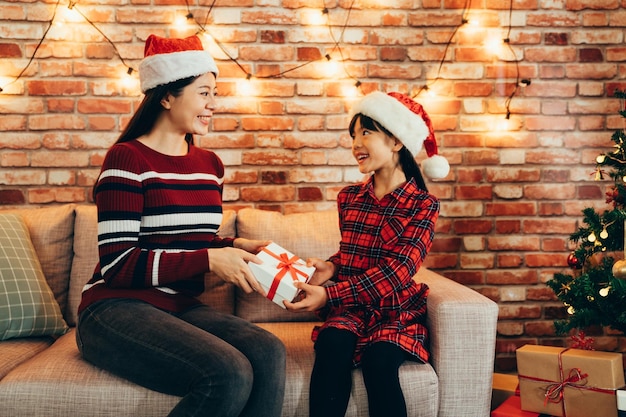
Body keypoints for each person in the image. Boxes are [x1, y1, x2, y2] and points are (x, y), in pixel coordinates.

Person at [76, 34, 286, 417]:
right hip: (115, 309)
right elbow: (118, 265)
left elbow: (193, 240)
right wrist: (210, 259)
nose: (213, 104)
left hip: (178, 305)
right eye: (204, 92)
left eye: (215, 93)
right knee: (229, 371)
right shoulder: (127, 158)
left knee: (269, 350)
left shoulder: (210, 165)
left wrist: (236, 245)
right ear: (167, 96)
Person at [285, 91, 450, 417]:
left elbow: (398, 270)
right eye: (353, 135)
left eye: (366, 132)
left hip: (394, 312)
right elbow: (353, 252)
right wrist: (332, 266)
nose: (355, 143)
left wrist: (328, 294)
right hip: (351, 308)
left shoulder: (423, 205)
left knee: (379, 362)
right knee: (331, 345)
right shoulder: (349, 198)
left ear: (396, 142)